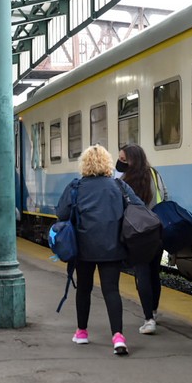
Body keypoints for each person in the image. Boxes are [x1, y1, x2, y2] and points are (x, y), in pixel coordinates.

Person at [55, 144, 142, 356]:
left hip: (83, 249)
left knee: (83, 289)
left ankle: (82, 332)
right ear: (108, 163)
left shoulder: (75, 187)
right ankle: (118, 337)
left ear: (84, 164)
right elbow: (138, 208)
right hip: (112, 248)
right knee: (111, 290)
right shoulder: (119, 187)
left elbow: (61, 214)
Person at [118, 143, 168, 334]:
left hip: (136, 234)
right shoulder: (155, 175)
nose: (120, 162)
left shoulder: (124, 181)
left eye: (123, 159)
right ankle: (153, 312)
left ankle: (148, 319)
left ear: (131, 160)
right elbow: (165, 196)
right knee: (155, 273)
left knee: (143, 275)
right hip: (156, 230)